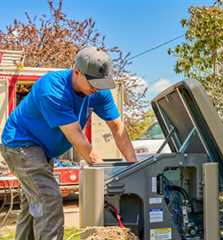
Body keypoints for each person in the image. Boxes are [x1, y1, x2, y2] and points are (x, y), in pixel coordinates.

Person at [0, 47, 137, 240]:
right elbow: (78, 139)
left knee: (33, 204)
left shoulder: (98, 91)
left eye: (102, 83)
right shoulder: (53, 89)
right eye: (93, 82)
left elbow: (117, 128)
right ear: (77, 71)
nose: (97, 88)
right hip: (20, 143)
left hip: (42, 150)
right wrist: (103, 172)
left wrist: (135, 167)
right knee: (48, 198)